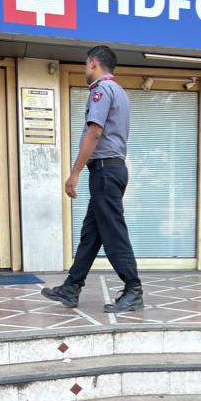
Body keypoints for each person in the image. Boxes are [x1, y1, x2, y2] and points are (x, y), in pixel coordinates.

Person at [42, 46, 143, 313]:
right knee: (91, 234)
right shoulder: (119, 91)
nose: (85, 68)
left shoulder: (101, 90)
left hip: (104, 172)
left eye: (86, 64)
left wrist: (74, 172)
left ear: (93, 62)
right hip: (110, 171)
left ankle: (133, 289)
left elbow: (94, 133)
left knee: (113, 233)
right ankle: (71, 287)